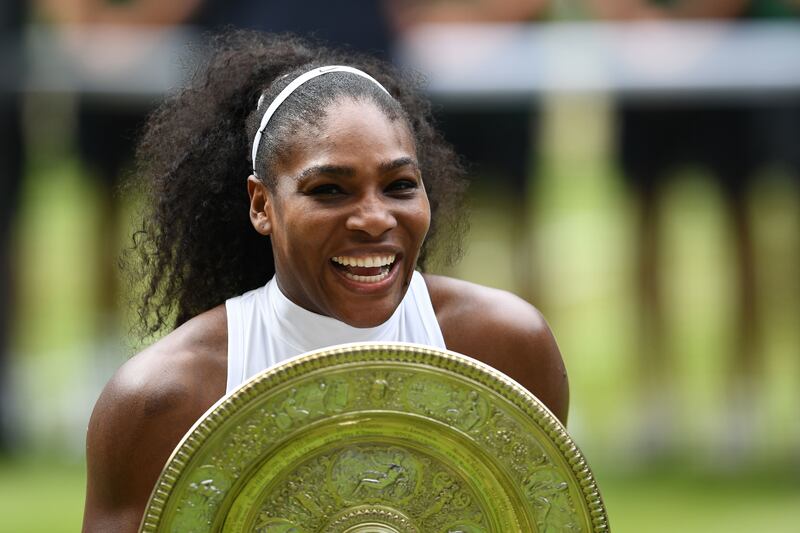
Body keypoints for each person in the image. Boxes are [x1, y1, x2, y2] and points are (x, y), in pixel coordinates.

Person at [81, 30, 568, 532]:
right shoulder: (164, 400)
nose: (375, 218)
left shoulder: (503, 351)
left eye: (399, 186)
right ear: (261, 205)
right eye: (330, 190)